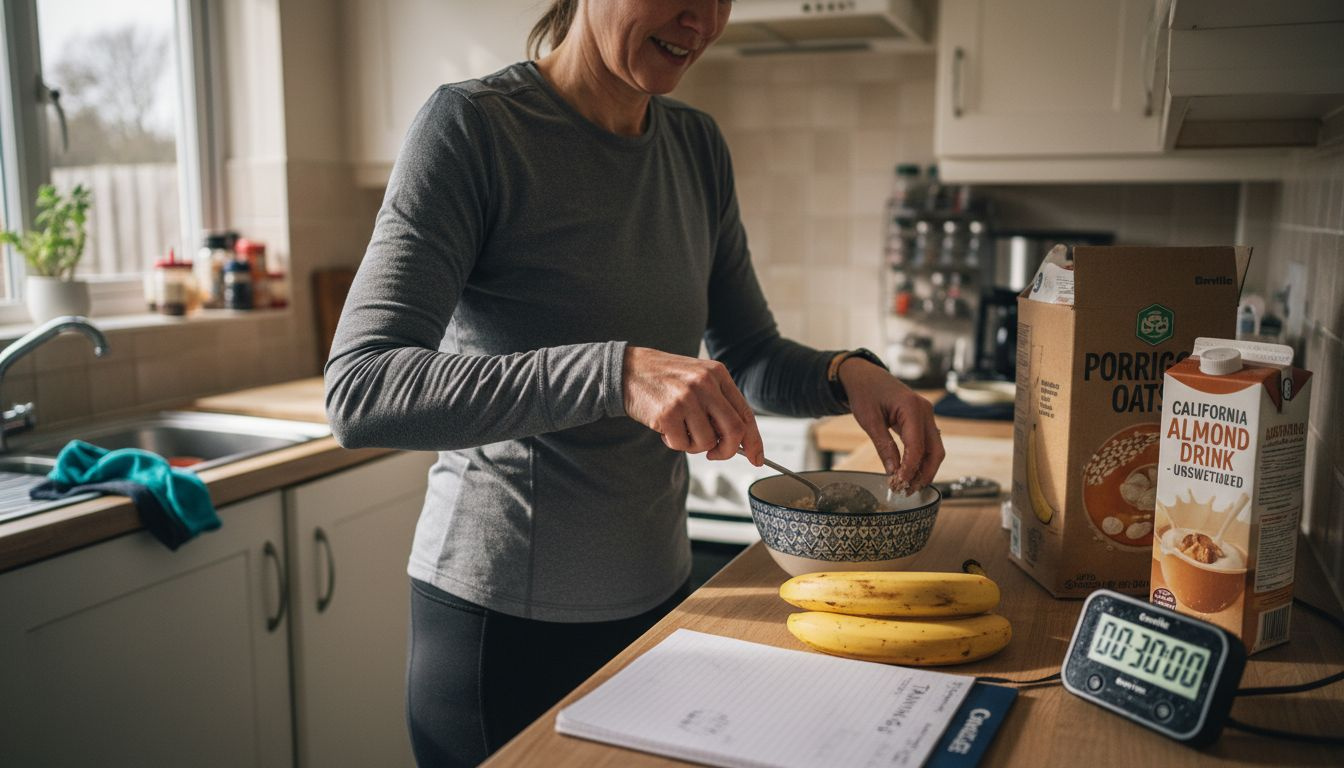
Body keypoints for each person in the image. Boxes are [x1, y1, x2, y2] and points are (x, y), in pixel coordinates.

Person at [324, 1, 946, 765]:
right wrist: (612, 371)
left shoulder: (695, 145)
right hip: (499, 633)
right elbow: (361, 387)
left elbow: (746, 350)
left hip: (659, 604)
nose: (701, 19)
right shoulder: (474, 129)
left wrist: (846, 375)